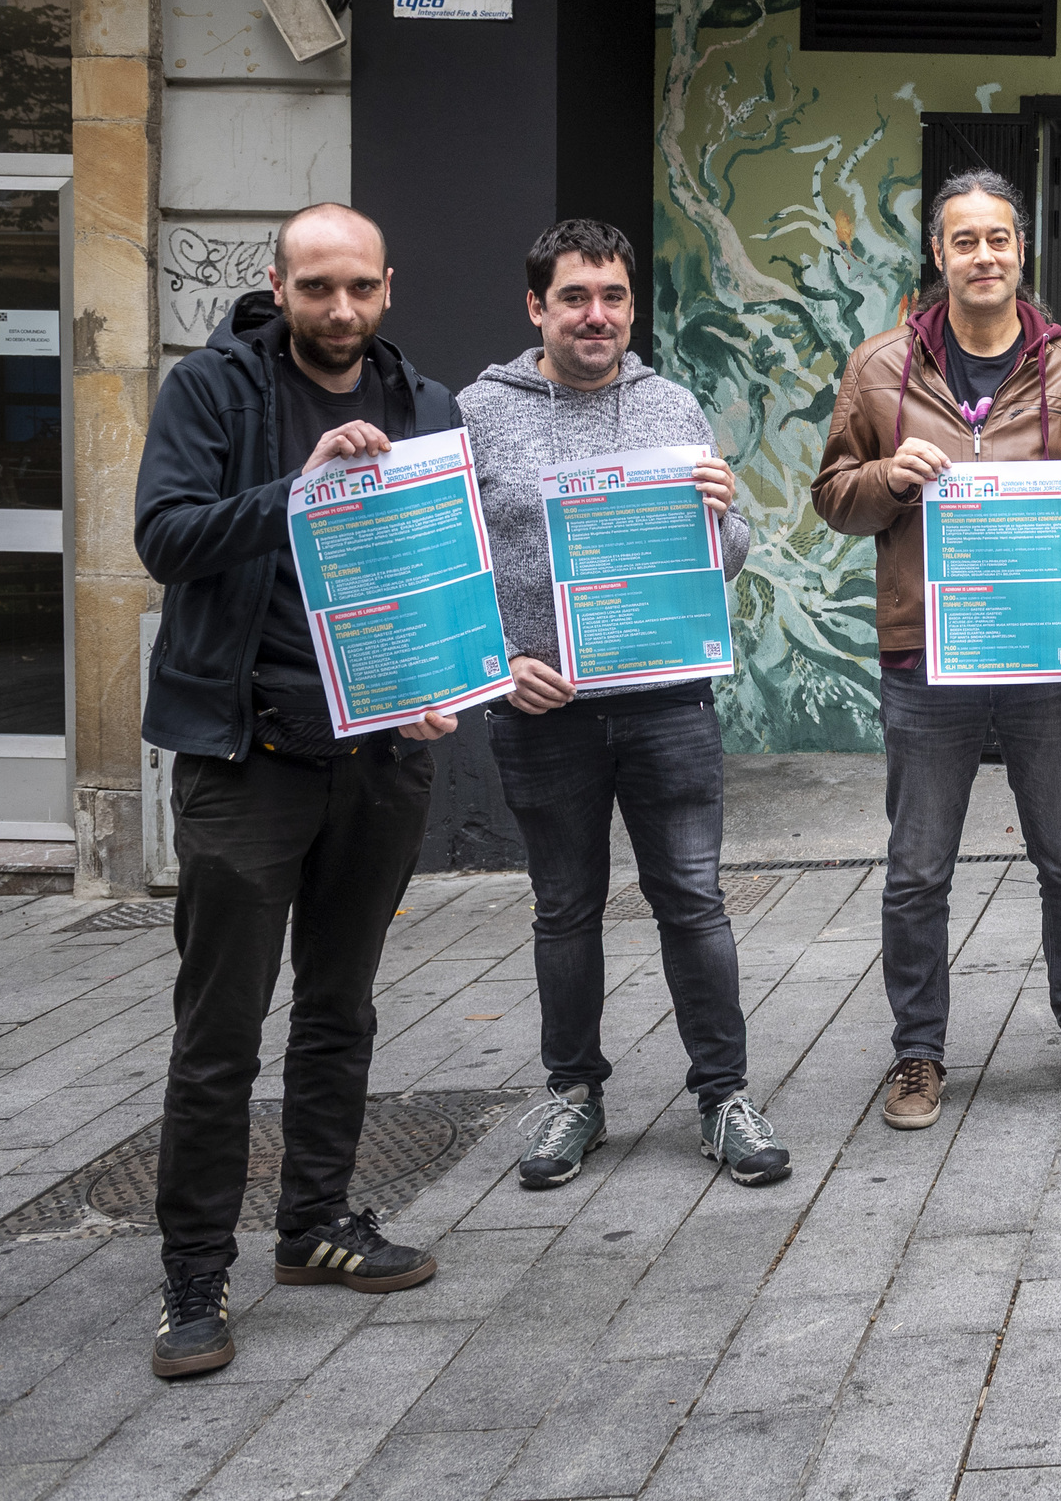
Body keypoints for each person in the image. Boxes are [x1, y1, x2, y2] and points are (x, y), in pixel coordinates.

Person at [132, 203, 459, 1380]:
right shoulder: (214, 392)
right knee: (219, 1030)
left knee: (341, 1007)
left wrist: (445, 674)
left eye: (359, 287)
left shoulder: (425, 401)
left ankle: (315, 1223)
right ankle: (191, 1279)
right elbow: (164, 537)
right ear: (277, 282)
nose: (339, 309)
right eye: (316, 286)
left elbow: (438, 561)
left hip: (380, 758)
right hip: (245, 759)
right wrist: (297, 490)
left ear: (388, 285)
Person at [463, 219, 787, 1193]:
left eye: (611, 296)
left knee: (692, 899)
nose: (595, 314)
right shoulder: (479, 413)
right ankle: (574, 1094)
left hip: (667, 703)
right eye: (574, 296)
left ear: (631, 306)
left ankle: (723, 1097)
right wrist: (497, 663)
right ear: (537, 307)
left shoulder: (673, 404)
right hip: (542, 708)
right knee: (564, 907)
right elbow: (449, 561)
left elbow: (721, 557)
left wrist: (726, 514)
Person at [814, 169, 1061, 1130]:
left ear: (1021, 250)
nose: (984, 256)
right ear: (939, 253)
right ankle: (918, 1054)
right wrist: (887, 476)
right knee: (918, 867)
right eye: (966, 241)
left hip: (1039, 656)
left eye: (999, 239)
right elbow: (833, 497)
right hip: (926, 659)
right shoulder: (879, 368)